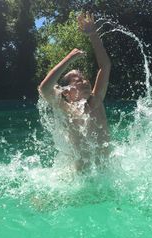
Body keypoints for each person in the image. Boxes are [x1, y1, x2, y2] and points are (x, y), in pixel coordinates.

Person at [38, 12, 112, 171]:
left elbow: (105, 66)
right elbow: (44, 88)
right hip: (81, 178)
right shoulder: (65, 110)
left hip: (106, 175)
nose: (85, 82)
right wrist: (69, 58)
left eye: (84, 78)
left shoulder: (96, 101)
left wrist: (93, 34)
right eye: (77, 81)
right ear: (66, 92)